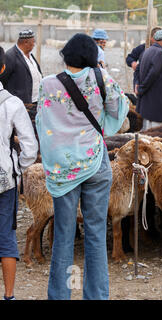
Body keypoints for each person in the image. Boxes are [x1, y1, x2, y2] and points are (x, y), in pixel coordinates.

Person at [36, 34, 129, 300]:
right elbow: (119, 110)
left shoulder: (47, 84)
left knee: (63, 237)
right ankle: (96, 296)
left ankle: (59, 295)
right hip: (95, 163)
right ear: (92, 56)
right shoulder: (101, 79)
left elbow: (42, 123)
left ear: (65, 55)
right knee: (97, 234)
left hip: (62, 169)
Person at [0, 46, 38, 301]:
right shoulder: (11, 103)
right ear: (3, 68)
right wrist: (19, 168)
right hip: (4, 178)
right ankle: (9, 295)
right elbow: (30, 146)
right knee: (5, 236)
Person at [126, 27, 162, 95]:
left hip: (161, 85)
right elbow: (130, 57)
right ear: (151, 38)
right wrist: (133, 63)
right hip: (143, 82)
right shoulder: (143, 48)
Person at [137, 30, 162, 130]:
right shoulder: (161, 52)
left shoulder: (147, 51)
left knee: (146, 129)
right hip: (156, 100)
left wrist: (141, 88)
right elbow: (153, 73)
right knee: (155, 132)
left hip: (148, 100)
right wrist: (142, 88)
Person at [0, 30, 43, 106]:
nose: (34, 44)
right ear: (25, 42)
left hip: (35, 100)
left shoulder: (30, 55)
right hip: (21, 103)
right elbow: (3, 79)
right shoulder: (10, 56)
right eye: (33, 42)